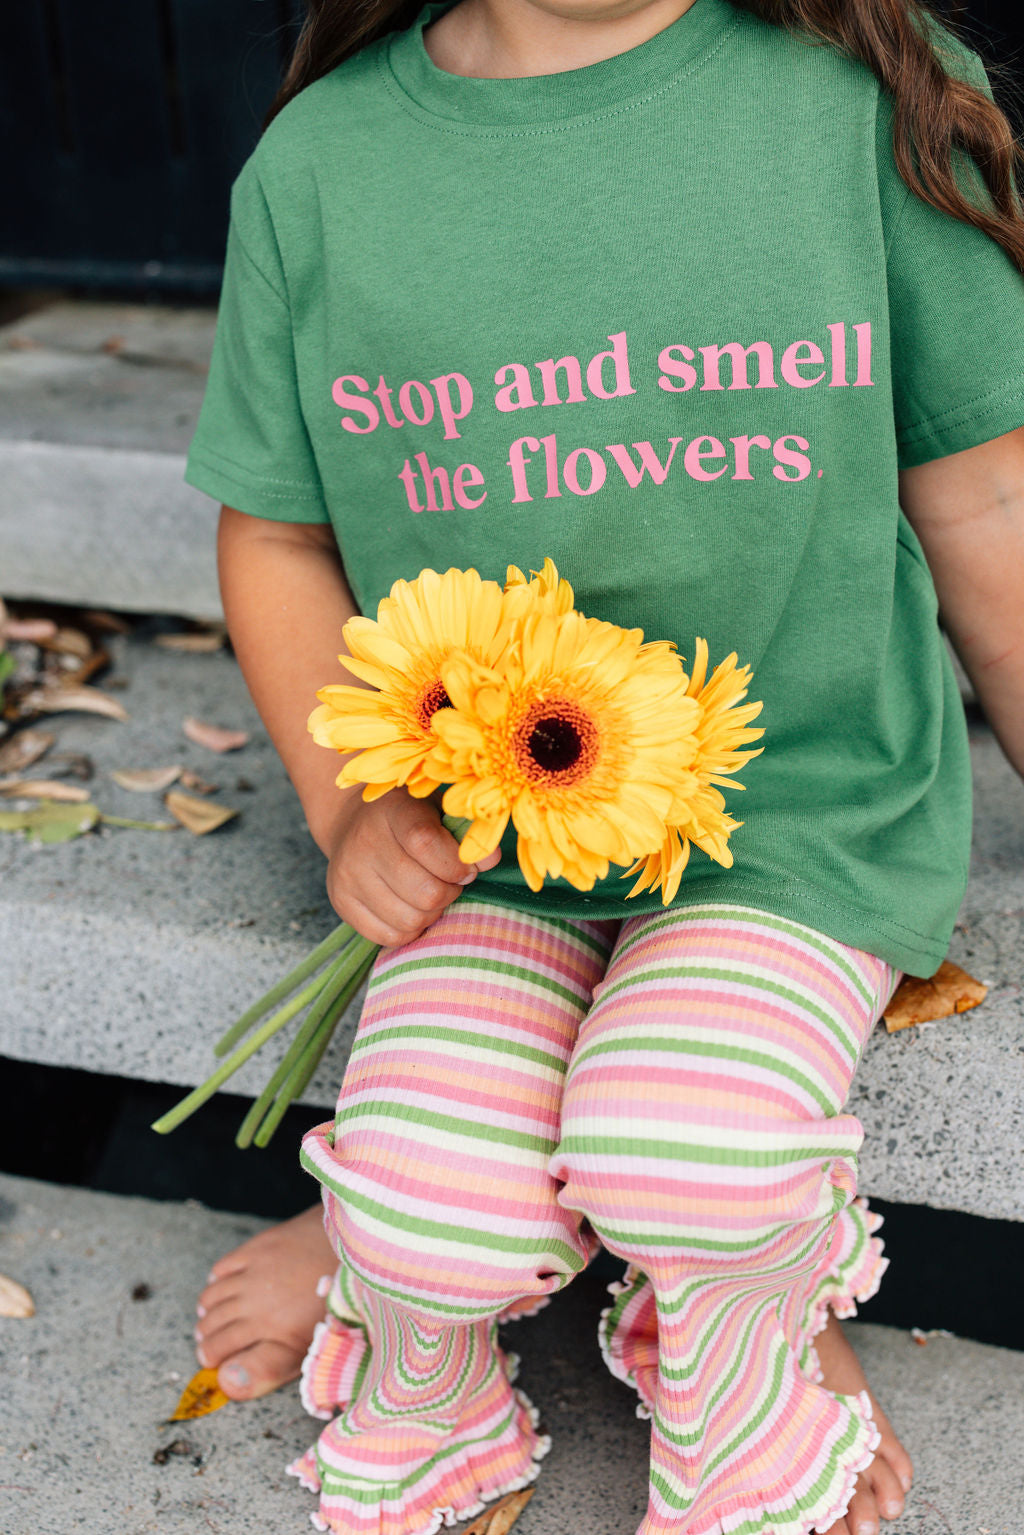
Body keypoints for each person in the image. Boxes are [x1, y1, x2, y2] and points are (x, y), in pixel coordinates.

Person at [182, 0, 1024, 1530]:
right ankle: (400, 1304)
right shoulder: (323, 166)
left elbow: (986, 502)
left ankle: (744, 1317)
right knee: (426, 1204)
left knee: (688, 1151)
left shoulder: (867, 99)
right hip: (486, 828)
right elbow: (279, 534)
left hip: (798, 813)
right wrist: (352, 804)